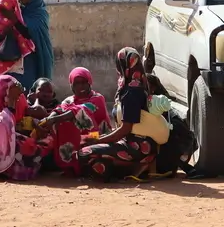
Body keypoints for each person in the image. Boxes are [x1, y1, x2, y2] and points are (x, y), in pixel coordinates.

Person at [77, 48, 160, 181]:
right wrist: (98, 138)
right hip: (140, 143)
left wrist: (98, 140)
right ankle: (129, 168)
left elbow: (125, 129)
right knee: (90, 147)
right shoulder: (139, 86)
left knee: (83, 152)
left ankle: (132, 168)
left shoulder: (131, 92)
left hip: (138, 147)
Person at [9, 0, 53, 88]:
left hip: (33, 58)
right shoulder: (16, 11)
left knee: (30, 88)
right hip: (15, 59)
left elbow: (30, 32)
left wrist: (14, 20)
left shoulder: (40, 13)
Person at [0, 0, 36, 80]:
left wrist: (13, 19)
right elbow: (0, 38)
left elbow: (29, 34)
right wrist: (5, 31)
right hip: (13, 56)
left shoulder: (38, 14)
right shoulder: (15, 9)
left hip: (31, 56)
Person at [60, 67, 112, 135]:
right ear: (71, 86)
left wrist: (57, 118)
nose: (81, 86)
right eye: (77, 83)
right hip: (77, 139)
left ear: (89, 83)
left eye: (84, 82)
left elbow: (85, 109)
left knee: (81, 113)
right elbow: (60, 111)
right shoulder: (67, 102)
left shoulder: (98, 98)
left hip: (102, 138)